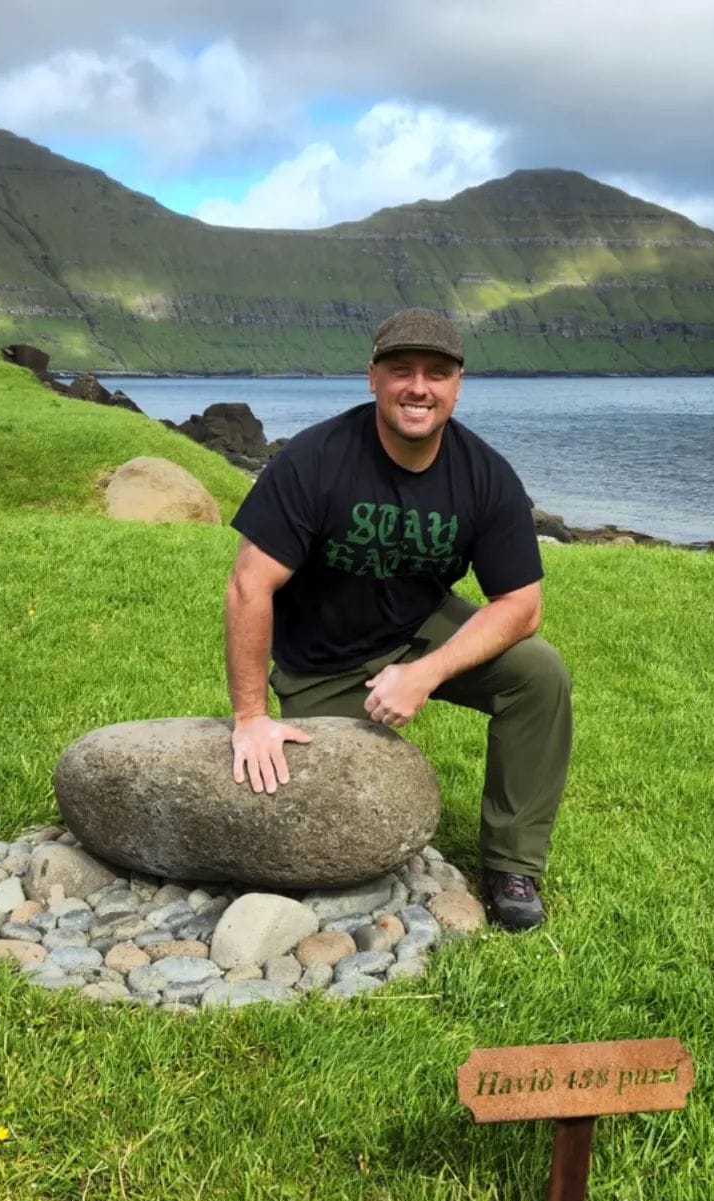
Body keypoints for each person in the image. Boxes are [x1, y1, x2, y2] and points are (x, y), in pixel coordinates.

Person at [224, 308, 572, 930]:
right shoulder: (315, 461)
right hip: (322, 665)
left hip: (418, 629)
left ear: (457, 386)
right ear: (373, 379)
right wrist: (250, 719)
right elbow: (250, 585)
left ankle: (512, 864)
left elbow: (522, 605)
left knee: (538, 674)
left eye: (436, 373)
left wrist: (426, 672)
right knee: (329, 808)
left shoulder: (485, 476)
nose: (419, 387)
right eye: (401, 370)